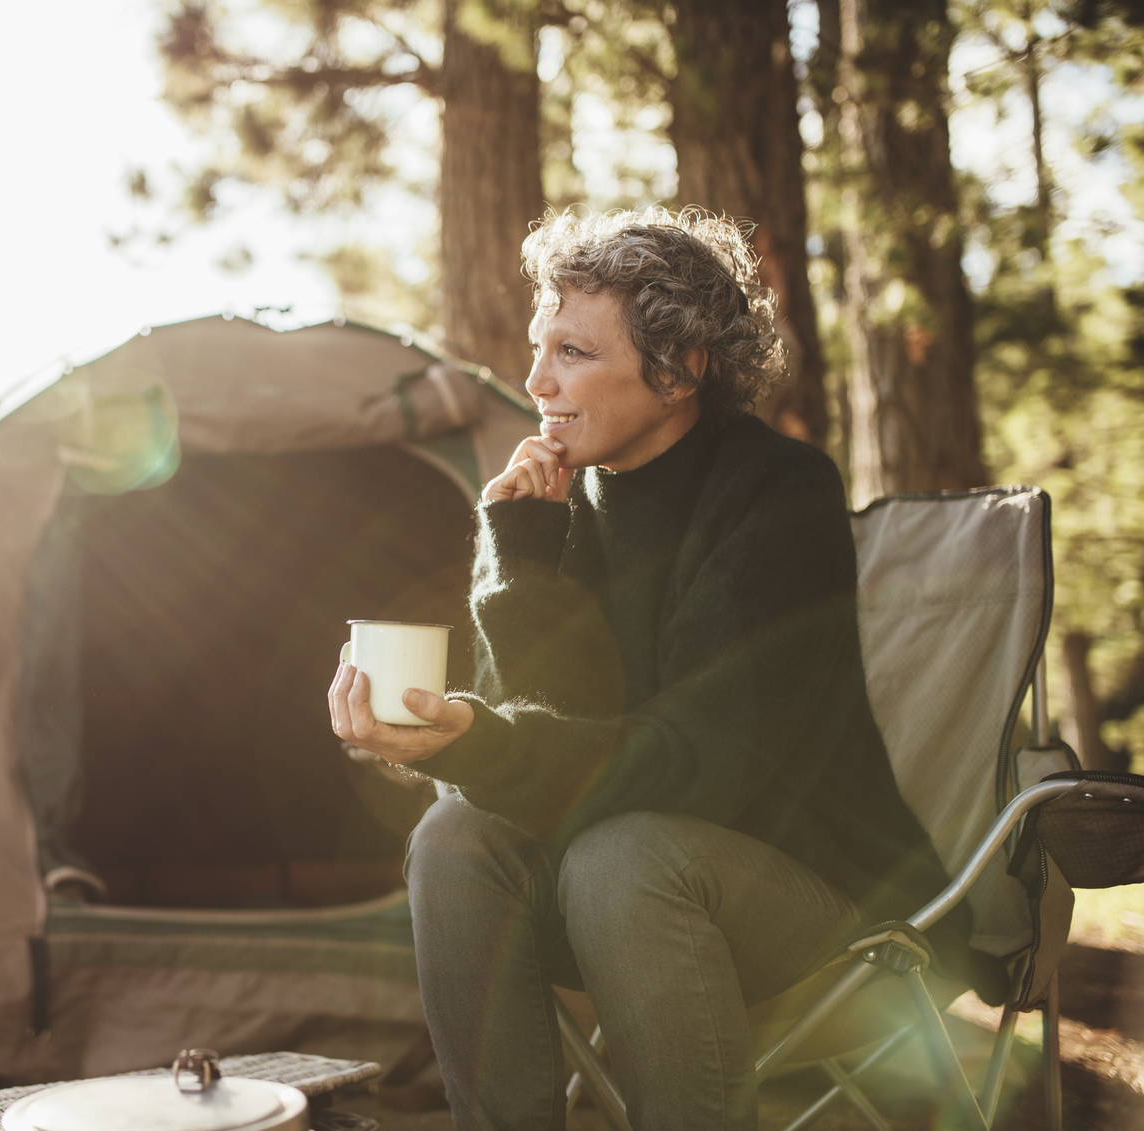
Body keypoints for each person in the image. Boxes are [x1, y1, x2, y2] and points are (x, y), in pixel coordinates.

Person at [328, 207, 989, 1129]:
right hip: (623, 891)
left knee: (621, 854)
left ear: (679, 369)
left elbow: (701, 764)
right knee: (453, 837)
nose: (534, 380)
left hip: (819, 907)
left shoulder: (777, 493)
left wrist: (481, 740)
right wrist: (518, 557)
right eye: (538, 346)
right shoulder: (559, 506)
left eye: (571, 351)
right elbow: (558, 729)